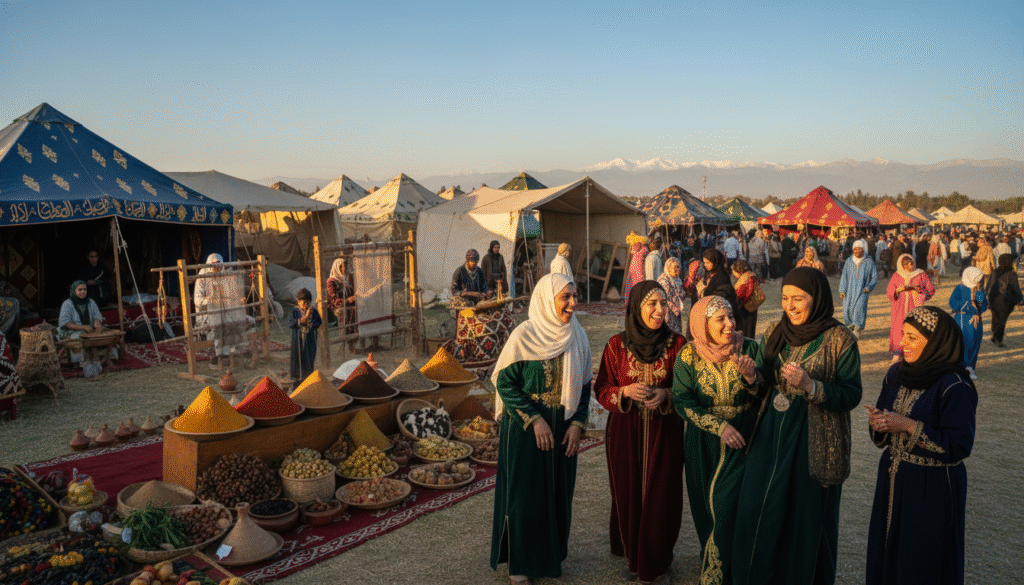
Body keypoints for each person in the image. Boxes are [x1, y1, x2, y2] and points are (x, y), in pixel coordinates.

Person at [733, 267, 862, 585]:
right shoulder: (776, 331)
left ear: (816, 299)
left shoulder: (840, 339)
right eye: (786, 298)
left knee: (803, 518)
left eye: (798, 299)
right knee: (759, 507)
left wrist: (812, 386)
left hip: (814, 440)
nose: (790, 305)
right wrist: (751, 375)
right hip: (771, 435)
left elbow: (852, 393)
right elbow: (763, 384)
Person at [490, 273, 592, 584]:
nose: (573, 303)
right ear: (548, 300)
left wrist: (577, 423)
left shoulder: (578, 336)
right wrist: (534, 419)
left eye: (574, 296)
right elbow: (504, 383)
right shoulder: (524, 335)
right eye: (566, 297)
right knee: (525, 495)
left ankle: (549, 555)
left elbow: (585, 385)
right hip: (525, 430)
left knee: (557, 492)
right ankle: (520, 564)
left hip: (563, 427)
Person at [865, 306, 978, 585]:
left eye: (912, 337)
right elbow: (883, 431)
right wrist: (879, 424)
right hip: (892, 478)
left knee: (922, 559)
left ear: (936, 342)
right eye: (903, 334)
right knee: (886, 549)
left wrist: (906, 424)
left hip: (932, 487)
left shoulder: (954, 386)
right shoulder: (896, 374)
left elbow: (959, 445)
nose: (902, 342)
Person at [595, 280, 686, 585]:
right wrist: (623, 391)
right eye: (652, 304)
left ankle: (657, 562)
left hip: (665, 433)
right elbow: (602, 390)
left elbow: (688, 390)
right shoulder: (615, 346)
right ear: (636, 307)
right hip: (625, 433)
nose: (661, 310)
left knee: (663, 496)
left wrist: (667, 396)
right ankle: (635, 556)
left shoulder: (678, 345)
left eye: (663, 303)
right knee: (628, 492)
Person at [673, 295, 762, 585]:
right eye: (720, 319)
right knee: (705, 509)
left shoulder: (749, 347)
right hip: (704, 442)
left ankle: (721, 576)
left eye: (731, 317)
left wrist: (751, 380)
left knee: (727, 506)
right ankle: (714, 559)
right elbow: (682, 401)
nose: (730, 324)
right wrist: (719, 426)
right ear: (703, 323)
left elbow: (766, 397)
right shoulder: (688, 354)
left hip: (743, 440)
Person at [193, 253, 247, 371]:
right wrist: (212, 300)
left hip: (223, 309)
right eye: (215, 266)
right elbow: (197, 300)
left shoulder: (224, 276)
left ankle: (229, 353)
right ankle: (218, 356)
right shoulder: (203, 277)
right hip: (206, 313)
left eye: (220, 266)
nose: (217, 269)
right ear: (209, 266)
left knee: (236, 320)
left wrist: (238, 300)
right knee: (219, 323)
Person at [885, 254, 935, 361]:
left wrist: (920, 292)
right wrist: (898, 290)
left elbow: (930, 289)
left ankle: (914, 350)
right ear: (902, 265)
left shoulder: (920, 274)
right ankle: (898, 352)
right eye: (906, 264)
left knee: (913, 327)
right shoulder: (897, 275)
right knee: (899, 327)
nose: (910, 266)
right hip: (899, 306)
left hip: (915, 305)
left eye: (911, 263)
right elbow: (890, 292)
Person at [949, 267, 987, 380]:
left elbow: (983, 306)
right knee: (963, 342)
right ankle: (961, 366)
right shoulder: (960, 288)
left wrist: (980, 296)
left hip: (976, 321)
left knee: (975, 342)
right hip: (962, 320)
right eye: (976, 279)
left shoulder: (979, 289)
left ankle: (970, 366)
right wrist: (969, 305)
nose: (978, 281)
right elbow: (953, 303)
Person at [57, 280, 105, 366]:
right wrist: (83, 327)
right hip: (71, 332)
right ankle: (79, 362)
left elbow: (97, 315)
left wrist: (97, 322)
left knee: (105, 334)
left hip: (89, 330)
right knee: (79, 337)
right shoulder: (67, 304)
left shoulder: (90, 302)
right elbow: (65, 323)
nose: (83, 292)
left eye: (85, 289)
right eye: (80, 290)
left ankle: (103, 358)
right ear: (74, 291)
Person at [838, 240, 878, 339]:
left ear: (863, 249)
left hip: (862, 291)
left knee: (859, 309)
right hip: (849, 290)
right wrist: (842, 289)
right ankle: (849, 328)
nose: (856, 251)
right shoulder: (849, 261)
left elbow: (874, 277)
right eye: (855, 249)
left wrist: (869, 287)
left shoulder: (869, 261)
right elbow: (844, 276)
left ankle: (857, 330)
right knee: (847, 309)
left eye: (859, 249)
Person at [987, 253, 1023, 347]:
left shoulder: (994, 271)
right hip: (1005, 299)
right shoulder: (1011, 273)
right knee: (1002, 320)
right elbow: (1016, 288)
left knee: (995, 317)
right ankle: (998, 339)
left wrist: (987, 296)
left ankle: (994, 335)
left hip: (993, 298)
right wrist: (1020, 299)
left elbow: (988, 286)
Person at [289, 288, 321, 382]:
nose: (306, 305)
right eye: (304, 302)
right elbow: (291, 324)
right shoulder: (295, 311)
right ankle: (296, 377)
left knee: (309, 355)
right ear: (298, 301)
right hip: (298, 338)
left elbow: (318, 322)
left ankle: (308, 376)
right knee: (297, 355)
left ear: (310, 302)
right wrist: (300, 321)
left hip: (309, 338)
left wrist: (310, 323)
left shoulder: (313, 311)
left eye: (308, 302)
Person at [325, 258, 357, 349]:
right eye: (341, 267)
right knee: (347, 311)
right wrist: (347, 300)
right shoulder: (331, 282)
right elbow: (333, 300)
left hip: (349, 305)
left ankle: (354, 342)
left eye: (345, 266)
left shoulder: (346, 280)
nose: (344, 269)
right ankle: (347, 340)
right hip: (337, 307)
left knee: (359, 310)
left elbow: (351, 292)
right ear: (336, 268)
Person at [657, 258, 686, 336]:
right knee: (667, 333)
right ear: (668, 268)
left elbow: (681, 294)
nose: (677, 269)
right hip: (667, 312)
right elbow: (664, 297)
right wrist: (675, 309)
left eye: (678, 267)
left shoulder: (677, 279)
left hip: (676, 312)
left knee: (676, 334)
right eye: (675, 267)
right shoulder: (664, 279)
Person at [732, 260, 760, 338]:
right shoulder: (751, 275)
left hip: (745, 310)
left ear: (739, 271)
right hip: (752, 308)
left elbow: (740, 295)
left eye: (733, 271)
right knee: (750, 331)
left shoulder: (745, 279)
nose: (733, 273)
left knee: (745, 333)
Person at [624, 233, 648, 304]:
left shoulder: (640, 255)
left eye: (635, 245)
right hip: (634, 276)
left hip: (638, 277)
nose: (633, 246)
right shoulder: (637, 255)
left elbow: (640, 272)